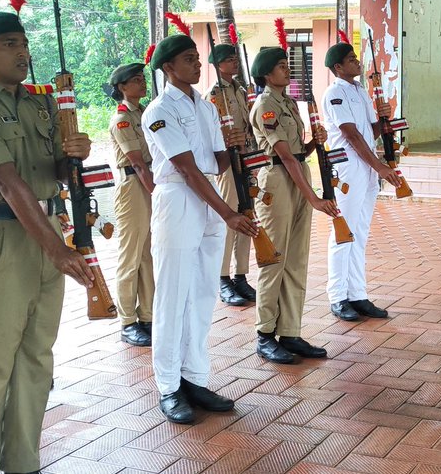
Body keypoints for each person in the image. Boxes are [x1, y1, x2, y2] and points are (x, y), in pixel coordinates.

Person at [0, 12, 95, 474]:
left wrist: (74, 153)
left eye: (24, 43)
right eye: (9, 44)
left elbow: (53, 172)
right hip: (0, 240)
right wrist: (57, 249)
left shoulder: (40, 102)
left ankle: (23, 461)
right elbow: (8, 183)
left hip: (48, 234)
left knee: (36, 358)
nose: (22, 51)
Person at [141, 34, 256, 424]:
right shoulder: (159, 110)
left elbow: (214, 163)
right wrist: (228, 213)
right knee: (172, 296)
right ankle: (169, 386)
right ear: (168, 67)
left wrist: (232, 146)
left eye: (196, 58)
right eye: (188, 59)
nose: (196, 64)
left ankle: (194, 378)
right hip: (178, 197)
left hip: (208, 194)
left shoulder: (207, 107)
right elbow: (186, 168)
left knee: (204, 292)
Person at [247, 47, 337, 363]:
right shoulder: (265, 106)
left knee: (296, 259)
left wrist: (314, 142)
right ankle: (265, 334)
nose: (287, 70)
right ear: (266, 74)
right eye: (281, 66)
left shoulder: (288, 103)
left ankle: (290, 331)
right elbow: (284, 155)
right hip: (277, 181)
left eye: (288, 65)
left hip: (297, 173)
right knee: (274, 259)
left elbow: (296, 152)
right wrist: (314, 197)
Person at [321, 42, 401, 322]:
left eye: (356, 57)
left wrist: (383, 118)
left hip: (365, 166)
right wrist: (379, 166)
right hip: (348, 167)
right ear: (338, 67)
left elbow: (369, 132)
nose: (357, 62)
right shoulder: (335, 93)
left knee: (360, 232)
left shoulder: (360, 91)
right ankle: (337, 296)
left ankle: (357, 294)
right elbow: (351, 135)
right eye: (351, 59)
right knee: (344, 232)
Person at [204, 44, 257, 307]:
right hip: (228, 161)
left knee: (247, 213)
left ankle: (241, 275)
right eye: (229, 59)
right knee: (230, 217)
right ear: (217, 65)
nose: (234, 62)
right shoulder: (213, 95)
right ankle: (223, 277)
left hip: (246, 158)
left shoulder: (240, 90)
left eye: (236, 58)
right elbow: (211, 133)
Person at [107, 63, 155, 348]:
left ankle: (147, 316)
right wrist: (156, 193)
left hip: (149, 180)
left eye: (142, 78)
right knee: (130, 257)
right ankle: (127, 321)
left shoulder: (144, 113)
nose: (142, 83)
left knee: (147, 254)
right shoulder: (122, 119)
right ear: (122, 87)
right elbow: (137, 162)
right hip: (134, 186)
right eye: (136, 80)